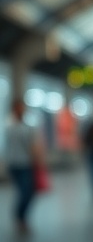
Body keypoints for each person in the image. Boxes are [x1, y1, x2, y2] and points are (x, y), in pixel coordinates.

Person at [6, 99, 44, 234]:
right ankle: (20, 216)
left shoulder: (28, 126)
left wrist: (38, 160)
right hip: (14, 164)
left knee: (27, 192)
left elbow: (34, 146)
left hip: (26, 164)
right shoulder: (9, 125)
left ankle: (20, 216)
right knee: (24, 192)